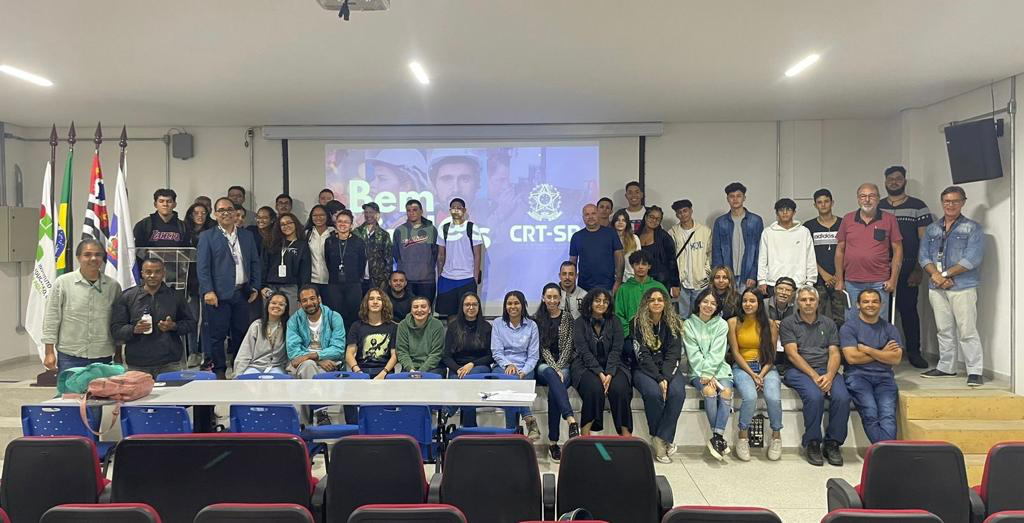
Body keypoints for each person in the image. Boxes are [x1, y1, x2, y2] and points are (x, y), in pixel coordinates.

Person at [919, 186, 986, 387]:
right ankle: (946, 366)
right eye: (947, 201)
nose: (950, 205)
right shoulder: (932, 229)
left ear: (963, 202)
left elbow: (972, 258)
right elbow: (923, 256)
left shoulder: (973, 228)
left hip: (962, 286)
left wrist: (945, 275)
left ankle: (974, 370)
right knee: (943, 328)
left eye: (955, 201)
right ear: (942, 202)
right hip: (936, 286)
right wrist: (936, 276)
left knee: (967, 330)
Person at [781, 286, 850, 467]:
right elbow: (792, 354)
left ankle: (833, 443)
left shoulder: (828, 324)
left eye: (811, 300)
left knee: (842, 397)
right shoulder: (789, 323)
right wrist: (813, 375)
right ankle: (812, 442)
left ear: (818, 302)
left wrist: (829, 375)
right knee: (814, 396)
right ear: (797, 303)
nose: (808, 303)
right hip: (798, 370)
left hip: (826, 369)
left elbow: (835, 353)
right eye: (803, 300)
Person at [197, 197, 261, 379]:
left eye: (229, 209)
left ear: (236, 213)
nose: (226, 213)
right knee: (217, 336)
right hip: (217, 295)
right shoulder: (207, 237)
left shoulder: (247, 236)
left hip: (242, 293)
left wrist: (255, 287)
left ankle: (239, 369)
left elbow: (255, 262)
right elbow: (202, 268)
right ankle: (219, 372)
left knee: (241, 333)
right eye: (221, 210)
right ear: (215, 214)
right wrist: (208, 290)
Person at [878, 166, 933, 369]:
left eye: (898, 179)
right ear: (885, 182)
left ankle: (913, 352)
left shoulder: (918, 206)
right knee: (881, 312)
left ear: (904, 181)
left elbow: (925, 240)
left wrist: (919, 268)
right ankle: (883, 352)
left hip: (909, 267)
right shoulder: (878, 206)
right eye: (890, 179)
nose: (894, 182)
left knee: (909, 311)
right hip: (882, 268)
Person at [42, 239, 122, 373]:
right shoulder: (63, 283)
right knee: (70, 393)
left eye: (98, 254)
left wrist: (119, 353)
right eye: (87, 254)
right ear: (78, 257)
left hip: (103, 355)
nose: (93, 258)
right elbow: (52, 317)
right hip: (71, 355)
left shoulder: (113, 286)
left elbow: (118, 322)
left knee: (101, 393)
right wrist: (49, 352)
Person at [110, 258, 196, 377]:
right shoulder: (127, 297)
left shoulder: (175, 297)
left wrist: (173, 326)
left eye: (157, 272)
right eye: (148, 272)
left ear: (163, 274)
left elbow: (191, 324)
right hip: (137, 364)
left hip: (169, 363)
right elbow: (116, 329)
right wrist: (133, 329)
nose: (152, 275)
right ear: (142, 273)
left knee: (172, 395)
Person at [631, 287, 687, 464]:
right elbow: (642, 355)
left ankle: (660, 438)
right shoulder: (637, 322)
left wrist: (665, 377)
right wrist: (658, 378)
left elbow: (674, 354)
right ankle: (661, 440)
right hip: (644, 369)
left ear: (666, 303)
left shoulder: (674, 323)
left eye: (660, 300)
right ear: (646, 303)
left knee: (677, 392)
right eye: (652, 300)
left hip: (668, 368)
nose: (656, 303)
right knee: (653, 394)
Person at [834, 183, 903, 323]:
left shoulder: (889, 219)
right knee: (852, 321)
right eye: (863, 196)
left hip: (880, 281)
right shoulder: (847, 219)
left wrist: (893, 279)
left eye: (871, 196)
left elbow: (898, 250)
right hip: (852, 282)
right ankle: (855, 346)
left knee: (879, 322)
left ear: (878, 199)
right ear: (858, 199)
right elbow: (840, 250)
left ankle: (878, 346)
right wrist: (840, 279)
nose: (867, 200)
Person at [840, 288, 902, 443]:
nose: (870, 305)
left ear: (881, 304)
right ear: (858, 305)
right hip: (857, 376)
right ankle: (886, 451)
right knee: (870, 411)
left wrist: (868, 350)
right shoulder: (849, 327)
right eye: (866, 301)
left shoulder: (889, 329)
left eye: (875, 301)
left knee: (888, 415)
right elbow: (852, 358)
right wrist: (882, 353)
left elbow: (895, 359)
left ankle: (884, 451)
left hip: (885, 378)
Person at [728, 288, 783, 462]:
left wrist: (762, 373)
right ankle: (743, 437)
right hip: (743, 367)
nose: (748, 304)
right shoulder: (733, 322)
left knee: (773, 397)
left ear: (759, 304)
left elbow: (772, 355)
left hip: (766, 367)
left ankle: (776, 436)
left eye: (752, 301)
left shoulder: (771, 324)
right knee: (750, 397)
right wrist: (753, 375)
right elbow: (735, 353)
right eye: (745, 301)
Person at [571, 288, 632, 436]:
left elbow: (617, 350)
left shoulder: (615, 321)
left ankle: (626, 437)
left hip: (613, 364)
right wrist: (600, 373)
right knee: (594, 389)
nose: (601, 304)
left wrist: (609, 373)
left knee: (620, 389)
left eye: (605, 301)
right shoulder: (579, 322)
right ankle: (585, 436)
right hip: (585, 365)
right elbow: (584, 351)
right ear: (590, 302)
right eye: (597, 300)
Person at [684, 288, 733, 460]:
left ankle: (716, 437)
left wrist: (711, 373)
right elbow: (693, 354)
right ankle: (718, 438)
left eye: (713, 303)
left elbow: (718, 352)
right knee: (710, 391)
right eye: (705, 302)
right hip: (698, 371)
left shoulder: (722, 324)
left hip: (720, 369)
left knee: (726, 392)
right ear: (698, 303)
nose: (708, 306)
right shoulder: (688, 324)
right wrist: (705, 373)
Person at [533, 283, 580, 461]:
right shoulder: (536, 319)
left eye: (555, 297)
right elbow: (542, 348)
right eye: (548, 297)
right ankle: (571, 420)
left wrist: (560, 366)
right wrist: (554, 367)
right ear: (543, 298)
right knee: (551, 375)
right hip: (544, 366)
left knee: (555, 390)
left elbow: (569, 345)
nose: (552, 300)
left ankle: (553, 442)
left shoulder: (568, 318)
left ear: (560, 298)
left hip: (565, 365)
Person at [490, 291, 542, 440]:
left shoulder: (532, 325)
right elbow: (497, 352)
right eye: (509, 303)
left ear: (523, 305)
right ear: (505, 306)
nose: (513, 306)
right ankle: (529, 419)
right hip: (502, 366)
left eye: (516, 303)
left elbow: (533, 356)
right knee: (511, 381)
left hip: (526, 367)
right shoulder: (498, 323)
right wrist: (508, 365)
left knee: (512, 385)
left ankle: (510, 434)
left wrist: (524, 371)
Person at [442, 292, 494, 427]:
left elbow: (490, 356)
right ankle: (470, 428)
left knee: (468, 381)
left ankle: (448, 411)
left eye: (474, 304)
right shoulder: (453, 327)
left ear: (479, 307)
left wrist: (471, 364)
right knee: (464, 384)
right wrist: (458, 369)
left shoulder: (486, 327)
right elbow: (446, 356)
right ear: (462, 307)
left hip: (479, 366)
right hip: (457, 368)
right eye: (467, 304)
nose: (471, 307)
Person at [804, 189, 848, 327]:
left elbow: (849, 251)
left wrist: (837, 275)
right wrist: (824, 275)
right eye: (819, 202)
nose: (823, 205)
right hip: (819, 279)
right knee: (817, 316)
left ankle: (841, 347)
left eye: (826, 201)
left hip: (840, 279)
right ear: (815, 205)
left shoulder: (844, 223)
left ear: (832, 203)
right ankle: (820, 347)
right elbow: (807, 254)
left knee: (841, 317)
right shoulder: (808, 226)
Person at [436, 198, 484, 318]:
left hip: (467, 278)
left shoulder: (472, 228)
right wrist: (440, 276)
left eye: (459, 208)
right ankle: (453, 337)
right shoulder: (444, 228)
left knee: (468, 314)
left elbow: (477, 255)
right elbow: (441, 255)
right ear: (450, 210)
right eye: (453, 208)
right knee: (450, 315)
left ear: (464, 210)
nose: (456, 210)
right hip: (448, 278)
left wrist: (475, 277)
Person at [286, 285, 347, 379]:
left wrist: (314, 356)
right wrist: (317, 361)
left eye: (312, 298)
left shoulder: (334, 317)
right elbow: (293, 352)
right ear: (300, 304)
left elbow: (338, 349)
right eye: (304, 300)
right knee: (308, 365)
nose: (309, 303)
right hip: (301, 365)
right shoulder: (294, 321)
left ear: (319, 299)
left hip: (329, 363)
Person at [757, 198, 816, 294]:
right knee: (773, 308)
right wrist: (761, 281)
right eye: (781, 210)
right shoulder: (768, 232)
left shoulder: (804, 232)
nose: (785, 213)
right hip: (773, 283)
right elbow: (762, 258)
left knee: (797, 309)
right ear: (776, 213)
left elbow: (810, 258)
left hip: (799, 284)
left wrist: (810, 282)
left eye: (788, 209)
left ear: (794, 212)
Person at [712, 182, 764, 289]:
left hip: (748, 276)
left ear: (744, 198)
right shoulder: (720, 222)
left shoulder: (755, 221)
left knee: (747, 305)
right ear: (727, 199)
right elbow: (716, 251)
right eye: (732, 196)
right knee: (728, 305)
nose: (735, 199)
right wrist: (721, 276)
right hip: (727, 276)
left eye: (738, 196)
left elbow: (760, 251)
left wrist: (753, 275)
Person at [668, 199, 711, 319]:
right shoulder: (672, 233)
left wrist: (706, 272)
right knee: (682, 317)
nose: (683, 214)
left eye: (685, 211)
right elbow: (670, 259)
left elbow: (709, 254)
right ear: (676, 215)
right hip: (682, 283)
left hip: (700, 281)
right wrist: (674, 282)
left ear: (691, 211)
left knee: (700, 314)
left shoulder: (704, 231)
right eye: (679, 212)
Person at [324, 210, 368, 330]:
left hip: (353, 284)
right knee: (336, 316)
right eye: (340, 221)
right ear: (335, 224)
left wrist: (356, 279)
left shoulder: (358, 242)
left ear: (351, 225)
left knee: (353, 315)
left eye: (346, 222)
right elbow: (328, 261)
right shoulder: (329, 241)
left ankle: (352, 343)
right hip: (334, 284)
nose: (343, 224)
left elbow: (362, 263)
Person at [346, 288, 398, 385]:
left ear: (384, 303)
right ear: (366, 303)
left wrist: (383, 373)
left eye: (379, 299)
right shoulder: (356, 326)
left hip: (385, 372)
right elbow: (349, 354)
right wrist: (358, 373)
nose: (375, 302)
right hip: (361, 371)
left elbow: (395, 355)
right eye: (371, 299)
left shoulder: (393, 327)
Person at [184, 201, 215, 366]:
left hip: (207, 280)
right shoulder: (184, 231)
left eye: (203, 213)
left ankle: (205, 352)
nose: (200, 216)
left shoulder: (213, 231)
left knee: (206, 319)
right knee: (192, 318)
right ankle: (192, 352)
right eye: (196, 213)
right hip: (189, 281)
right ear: (191, 214)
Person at [261, 212, 310, 312]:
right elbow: (264, 265)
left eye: (289, 223)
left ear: (295, 224)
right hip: (271, 287)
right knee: (271, 318)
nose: (286, 226)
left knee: (292, 318)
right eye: (282, 224)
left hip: (291, 287)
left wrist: (303, 293)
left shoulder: (302, 245)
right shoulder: (271, 243)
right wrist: (262, 286)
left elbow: (305, 271)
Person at [393, 199, 439, 304]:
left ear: (421, 211)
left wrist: (426, 266)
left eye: (414, 210)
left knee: (425, 311)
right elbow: (396, 254)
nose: (411, 213)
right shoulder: (399, 230)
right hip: (407, 281)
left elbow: (435, 253)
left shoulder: (431, 230)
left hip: (426, 280)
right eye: (408, 210)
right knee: (407, 312)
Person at [570, 204, 624, 293]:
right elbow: (572, 262)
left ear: (598, 214)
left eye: (593, 213)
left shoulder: (611, 233)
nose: (590, 217)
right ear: (583, 217)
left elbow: (620, 258)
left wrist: (618, 281)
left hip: (608, 286)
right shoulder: (577, 237)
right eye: (587, 214)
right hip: (583, 288)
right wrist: (572, 284)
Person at [614, 250, 668, 338]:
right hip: (631, 335)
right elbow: (618, 315)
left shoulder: (659, 287)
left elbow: (668, 310)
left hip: (657, 333)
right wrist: (629, 332)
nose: (640, 267)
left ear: (649, 266)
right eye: (637, 264)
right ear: (632, 266)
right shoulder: (623, 289)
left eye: (644, 264)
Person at [234, 292, 290, 375]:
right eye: (273, 303)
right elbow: (244, 353)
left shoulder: (289, 326)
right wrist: (238, 375)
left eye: (281, 304)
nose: (277, 306)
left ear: (286, 308)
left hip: (277, 367)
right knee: (248, 380)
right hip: (255, 367)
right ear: (267, 305)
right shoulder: (256, 325)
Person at [396, 296, 445, 374]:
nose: (419, 310)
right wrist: (411, 369)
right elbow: (402, 352)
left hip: (433, 368)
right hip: (410, 368)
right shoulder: (403, 325)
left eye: (423, 307)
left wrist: (420, 372)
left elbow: (436, 353)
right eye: (415, 307)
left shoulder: (437, 325)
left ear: (429, 310)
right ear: (411, 310)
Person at [132, 188, 189, 254]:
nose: (165, 204)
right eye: (161, 201)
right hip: (150, 263)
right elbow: (137, 251)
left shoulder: (183, 227)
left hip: (175, 264)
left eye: (169, 201)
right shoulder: (143, 225)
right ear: (155, 204)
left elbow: (187, 252)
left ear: (174, 204)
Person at [353, 202, 394, 292]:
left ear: (377, 214)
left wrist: (385, 280)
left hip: (378, 280)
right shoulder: (356, 232)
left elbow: (389, 259)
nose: (368, 215)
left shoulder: (384, 235)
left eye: (371, 212)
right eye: (366, 212)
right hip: (358, 279)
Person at [638, 206, 680, 291]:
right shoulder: (637, 235)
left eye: (657, 219)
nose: (654, 220)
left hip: (661, 282)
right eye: (651, 217)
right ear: (646, 217)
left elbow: (672, 261)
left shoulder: (664, 237)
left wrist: (675, 284)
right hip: (641, 281)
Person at [305, 204, 335, 299]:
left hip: (330, 281)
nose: (318, 218)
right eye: (315, 215)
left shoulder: (334, 233)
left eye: (322, 215)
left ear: (327, 216)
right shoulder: (307, 234)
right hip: (312, 280)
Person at [610, 209, 642, 282]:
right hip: (613, 279)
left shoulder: (634, 238)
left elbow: (639, 259)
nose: (620, 222)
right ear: (613, 222)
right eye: (618, 220)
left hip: (631, 278)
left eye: (623, 220)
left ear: (627, 223)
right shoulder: (608, 239)